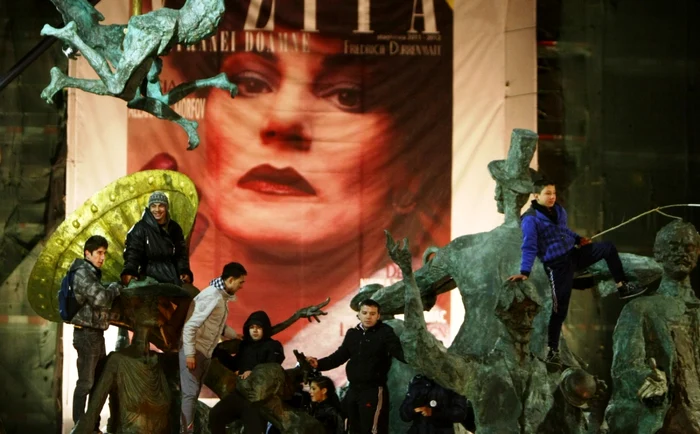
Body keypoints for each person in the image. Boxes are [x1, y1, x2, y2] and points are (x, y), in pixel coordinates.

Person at [127, 0, 454, 373]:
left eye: (346, 95)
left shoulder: (416, 328)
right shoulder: (172, 286)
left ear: (410, 168)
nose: (284, 122)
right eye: (250, 83)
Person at [508, 178, 646, 365]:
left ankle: (622, 286)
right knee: (559, 309)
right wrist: (525, 271)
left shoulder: (558, 210)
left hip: (574, 254)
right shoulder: (530, 219)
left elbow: (564, 231)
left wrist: (578, 239)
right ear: (536, 195)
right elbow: (529, 246)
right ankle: (553, 351)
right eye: (547, 194)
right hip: (558, 266)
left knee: (608, 248)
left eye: (554, 193)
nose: (552, 197)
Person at [603, 221, 700, 433]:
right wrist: (649, 379)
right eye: (673, 247)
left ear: (697, 252)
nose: (681, 253)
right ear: (658, 253)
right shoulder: (639, 309)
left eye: (688, 247)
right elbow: (625, 366)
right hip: (669, 421)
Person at [307, 299, 406, 434]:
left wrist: (417, 356)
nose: (368, 316)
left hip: (373, 390)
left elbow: (400, 353)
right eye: (364, 313)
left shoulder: (385, 332)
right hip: (353, 390)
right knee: (352, 429)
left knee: (371, 430)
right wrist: (318, 364)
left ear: (378, 316)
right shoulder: (352, 333)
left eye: (372, 313)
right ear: (358, 314)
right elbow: (339, 357)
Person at [179, 262, 246, 434]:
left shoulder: (221, 298)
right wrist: (190, 353)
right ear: (230, 280)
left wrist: (234, 335)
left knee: (192, 395)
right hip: (196, 350)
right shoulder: (212, 296)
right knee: (189, 395)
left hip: (205, 353)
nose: (241, 286)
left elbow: (218, 325)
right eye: (240, 282)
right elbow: (190, 326)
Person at [69, 235, 121, 427]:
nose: (102, 258)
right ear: (87, 253)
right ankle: (79, 425)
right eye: (98, 253)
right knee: (86, 383)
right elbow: (101, 299)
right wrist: (115, 288)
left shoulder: (91, 273)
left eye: (104, 253)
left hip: (94, 334)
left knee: (97, 383)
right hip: (86, 335)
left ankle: (91, 425)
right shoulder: (82, 273)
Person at [209, 310, 284, 434]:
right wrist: (219, 352)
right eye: (252, 327)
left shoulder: (273, 346)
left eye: (258, 327)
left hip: (258, 399)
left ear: (265, 329)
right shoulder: (245, 346)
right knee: (215, 415)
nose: (254, 330)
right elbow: (234, 365)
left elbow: (273, 367)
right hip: (240, 394)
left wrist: (254, 373)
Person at [121, 191, 193, 287]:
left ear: (166, 207)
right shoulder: (140, 228)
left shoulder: (174, 228)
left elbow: (180, 254)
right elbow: (133, 251)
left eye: (161, 206)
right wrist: (130, 270)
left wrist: (184, 270)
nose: (157, 209)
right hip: (148, 277)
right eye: (153, 206)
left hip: (172, 277)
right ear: (149, 208)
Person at [400, 374, 473, 434]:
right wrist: (413, 409)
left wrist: (434, 412)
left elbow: (460, 413)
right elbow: (404, 415)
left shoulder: (454, 383)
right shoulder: (419, 382)